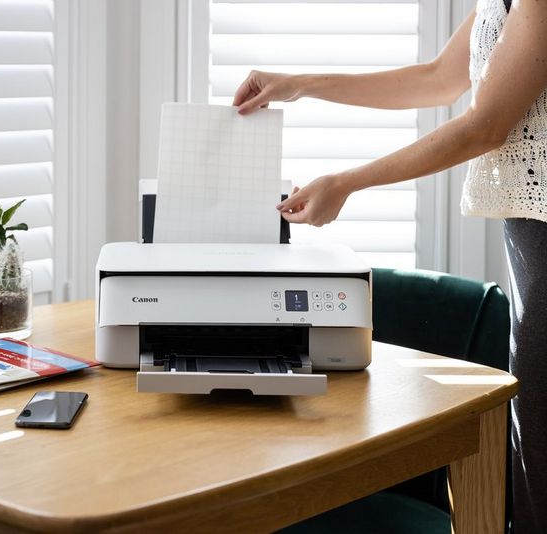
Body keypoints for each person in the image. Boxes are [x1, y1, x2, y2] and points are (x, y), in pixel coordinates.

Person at [232, 0, 546, 532]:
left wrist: (348, 182)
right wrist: (298, 83)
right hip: (527, 227)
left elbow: (485, 126)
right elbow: (438, 79)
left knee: (538, 443)